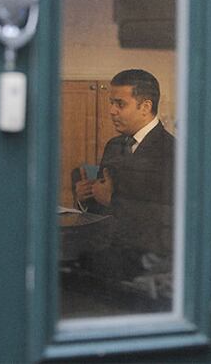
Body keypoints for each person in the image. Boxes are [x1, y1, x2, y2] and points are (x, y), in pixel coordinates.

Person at [75, 69, 175, 282]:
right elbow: (101, 205)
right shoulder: (114, 145)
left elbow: (167, 217)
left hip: (146, 256)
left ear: (145, 107)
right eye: (111, 103)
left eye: (120, 104)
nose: (111, 110)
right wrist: (87, 197)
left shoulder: (171, 151)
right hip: (109, 246)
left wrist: (110, 199)